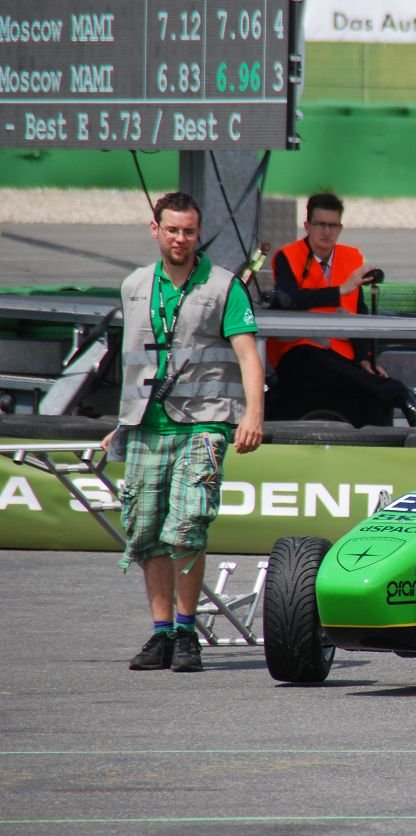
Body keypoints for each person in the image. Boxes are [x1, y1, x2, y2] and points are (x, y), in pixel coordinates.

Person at [103, 191, 265, 673]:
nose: (180, 239)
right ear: (155, 229)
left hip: (204, 423)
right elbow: (135, 364)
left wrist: (253, 415)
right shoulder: (134, 285)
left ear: (199, 234)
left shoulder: (223, 286)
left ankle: (186, 630)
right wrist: (120, 424)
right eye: (171, 229)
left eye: (188, 231)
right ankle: (161, 634)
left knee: (188, 526)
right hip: (145, 425)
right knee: (146, 532)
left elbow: (248, 357)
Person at [267, 192, 416, 426]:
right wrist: (339, 291)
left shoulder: (351, 258)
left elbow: (359, 310)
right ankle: (398, 392)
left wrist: (364, 357)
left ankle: (382, 427)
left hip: (340, 354)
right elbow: (288, 299)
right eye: (320, 225)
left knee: (369, 394)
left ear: (340, 228)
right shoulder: (288, 256)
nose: (326, 231)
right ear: (307, 226)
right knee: (310, 356)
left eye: (333, 225)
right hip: (297, 349)